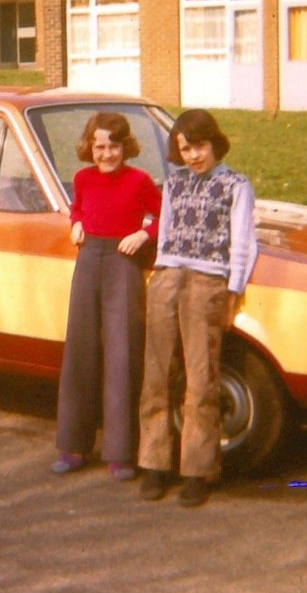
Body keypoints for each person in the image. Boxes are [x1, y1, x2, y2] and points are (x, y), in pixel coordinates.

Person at [137, 109, 258, 507]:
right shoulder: (173, 185)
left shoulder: (236, 185)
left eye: (200, 146)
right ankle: (155, 464)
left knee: (200, 379)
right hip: (169, 277)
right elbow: (167, 236)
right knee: (156, 374)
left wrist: (232, 292)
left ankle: (197, 470)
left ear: (215, 144)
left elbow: (243, 243)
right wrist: (159, 279)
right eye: (185, 148)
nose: (193, 156)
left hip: (208, 281)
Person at [53, 112, 162, 481]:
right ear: (90, 147)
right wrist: (77, 223)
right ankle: (73, 445)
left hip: (123, 263)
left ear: (125, 147)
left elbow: (166, 216)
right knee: (80, 350)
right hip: (88, 261)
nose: (107, 153)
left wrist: (145, 235)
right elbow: (79, 206)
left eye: (114, 146)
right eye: (99, 146)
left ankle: (121, 452)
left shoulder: (139, 180)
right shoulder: (82, 178)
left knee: (122, 354)